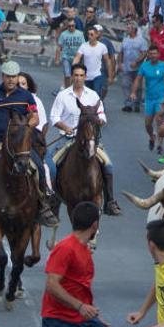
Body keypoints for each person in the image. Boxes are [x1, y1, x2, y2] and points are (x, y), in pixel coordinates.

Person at [0, 61, 58, 229]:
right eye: (8, 77)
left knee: (39, 167)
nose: (11, 80)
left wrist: (27, 127)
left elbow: (34, 117)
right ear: (3, 77)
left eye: (14, 77)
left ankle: (43, 207)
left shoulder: (25, 96)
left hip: (17, 141)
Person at [50, 63, 120, 215]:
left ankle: (110, 201)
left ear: (85, 77)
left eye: (81, 75)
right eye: (76, 75)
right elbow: (54, 117)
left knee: (108, 165)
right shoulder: (63, 95)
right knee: (50, 165)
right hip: (68, 139)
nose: (78, 78)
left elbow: (102, 115)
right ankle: (51, 198)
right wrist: (65, 127)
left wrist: (100, 121)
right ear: (72, 76)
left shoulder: (93, 96)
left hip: (90, 140)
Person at [130, 46, 164, 152]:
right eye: (151, 53)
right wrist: (133, 92)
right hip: (149, 98)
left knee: (159, 120)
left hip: (161, 97)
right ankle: (152, 137)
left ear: (159, 54)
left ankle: (160, 145)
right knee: (147, 124)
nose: (153, 56)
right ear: (148, 55)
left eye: (155, 53)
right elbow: (138, 79)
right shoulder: (144, 66)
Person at [72, 24, 113, 95]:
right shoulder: (84, 46)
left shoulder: (102, 47)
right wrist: (73, 66)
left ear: (96, 35)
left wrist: (110, 76)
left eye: (91, 34)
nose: (89, 36)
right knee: (87, 94)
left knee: (96, 93)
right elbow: (77, 57)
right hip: (86, 75)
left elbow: (107, 61)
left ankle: (99, 104)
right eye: (88, 34)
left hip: (97, 75)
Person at [119, 21, 146, 112]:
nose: (127, 29)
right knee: (125, 85)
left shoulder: (141, 40)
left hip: (138, 68)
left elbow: (144, 53)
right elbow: (121, 52)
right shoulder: (125, 39)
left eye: (129, 27)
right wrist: (120, 64)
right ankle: (128, 104)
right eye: (127, 27)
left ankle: (137, 103)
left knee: (138, 87)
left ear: (134, 29)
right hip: (126, 67)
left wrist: (137, 61)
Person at [56, 16, 85, 88]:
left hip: (76, 57)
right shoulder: (63, 34)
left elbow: (83, 46)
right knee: (67, 74)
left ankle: (70, 87)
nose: (71, 27)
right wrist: (57, 59)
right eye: (69, 26)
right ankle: (66, 88)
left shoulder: (80, 34)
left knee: (74, 74)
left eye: (73, 26)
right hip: (66, 57)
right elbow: (59, 47)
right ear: (67, 26)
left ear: (75, 26)